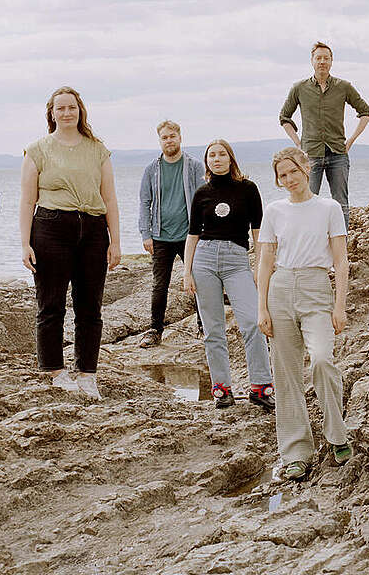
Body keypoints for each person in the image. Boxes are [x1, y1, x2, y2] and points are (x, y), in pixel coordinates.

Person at [19, 86, 121, 400]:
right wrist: (25, 244)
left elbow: (110, 198)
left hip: (92, 229)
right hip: (50, 228)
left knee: (89, 307)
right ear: (51, 113)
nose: (66, 113)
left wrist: (115, 241)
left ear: (80, 111)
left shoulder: (97, 149)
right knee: (51, 304)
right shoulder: (37, 149)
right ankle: (54, 369)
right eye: (60, 108)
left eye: (72, 108)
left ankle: (87, 373)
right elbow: (26, 201)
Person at [257, 147, 352, 482]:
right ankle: (296, 451)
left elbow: (341, 261)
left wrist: (340, 305)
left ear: (306, 168)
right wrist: (262, 307)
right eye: (282, 175)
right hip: (280, 289)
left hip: (316, 289)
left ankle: (337, 435)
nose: (289, 180)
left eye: (293, 172)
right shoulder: (274, 211)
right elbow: (265, 261)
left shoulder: (329, 208)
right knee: (285, 375)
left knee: (323, 359)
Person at [183, 139, 274, 411]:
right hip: (205, 260)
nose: (217, 158)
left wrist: (260, 267)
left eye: (222, 154)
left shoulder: (248, 189)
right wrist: (187, 272)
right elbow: (192, 235)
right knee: (213, 330)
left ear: (231, 159)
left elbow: (258, 233)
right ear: (207, 161)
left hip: (237, 260)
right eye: (212, 155)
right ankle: (222, 390)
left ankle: (261, 387)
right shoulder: (201, 193)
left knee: (252, 322)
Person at [279, 42, 369, 230]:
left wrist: (351, 140)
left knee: (340, 204)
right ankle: (307, 244)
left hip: (338, 153)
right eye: (318, 58)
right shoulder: (299, 88)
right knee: (305, 200)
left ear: (331, 61)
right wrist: (298, 143)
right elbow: (284, 117)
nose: (322, 61)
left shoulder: (344, 86)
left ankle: (341, 248)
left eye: (326, 58)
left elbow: (366, 112)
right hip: (310, 155)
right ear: (312, 61)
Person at [137, 120, 205, 347]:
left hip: (190, 236)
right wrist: (146, 234)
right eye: (164, 137)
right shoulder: (151, 170)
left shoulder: (194, 166)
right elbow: (144, 202)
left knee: (198, 282)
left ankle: (204, 327)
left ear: (180, 137)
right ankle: (155, 330)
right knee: (160, 285)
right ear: (160, 141)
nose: (169, 140)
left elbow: (203, 199)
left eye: (172, 136)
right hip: (160, 236)